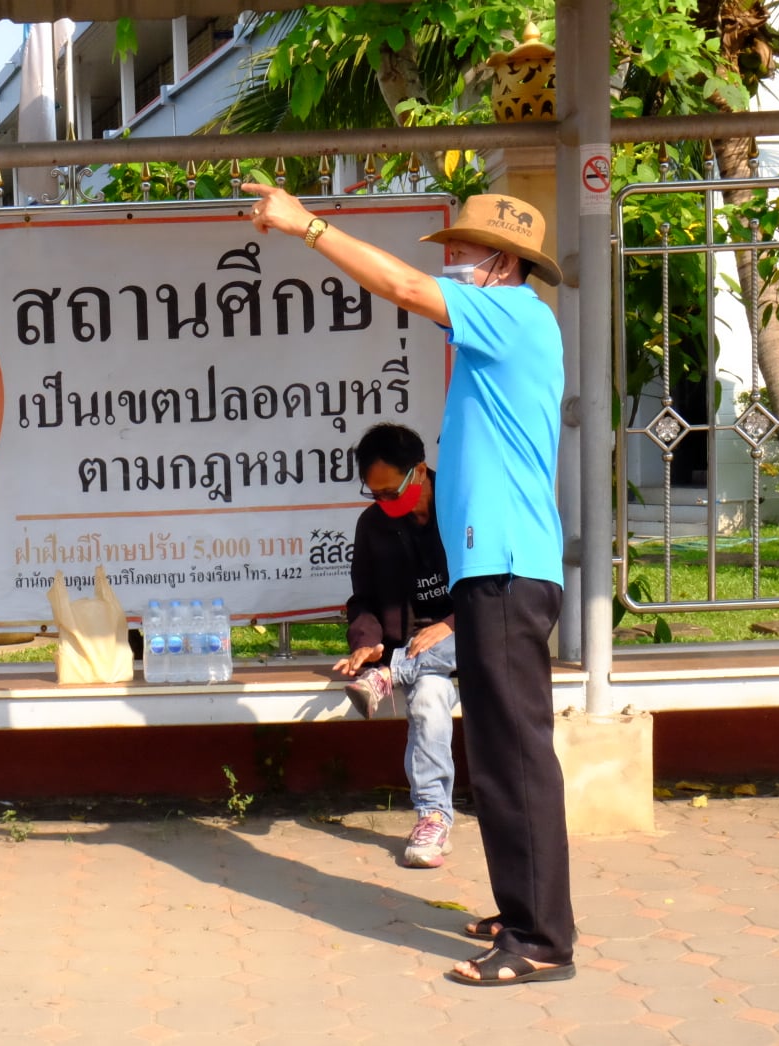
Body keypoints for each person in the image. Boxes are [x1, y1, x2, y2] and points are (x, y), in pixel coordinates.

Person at [244, 181, 574, 987]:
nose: (450, 262)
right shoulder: (501, 325)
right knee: (498, 753)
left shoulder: (516, 313)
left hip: (503, 568)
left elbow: (400, 286)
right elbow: (420, 296)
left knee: (513, 757)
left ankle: (539, 941)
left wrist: (308, 225)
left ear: (502, 264)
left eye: (462, 251)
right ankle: (524, 907)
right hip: (491, 568)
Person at [335, 423, 458, 869]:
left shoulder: (465, 502)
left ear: (420, 471)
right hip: (418, 656)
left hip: (471, 641)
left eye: (391, 493)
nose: (384, 504)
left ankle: (392, 675)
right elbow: (364, 598)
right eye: (376, 495)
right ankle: (433, 818)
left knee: (477, 628)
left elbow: (493, 586)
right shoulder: (373, 526)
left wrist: (450, 624)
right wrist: (367, 645)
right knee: (426, 700)